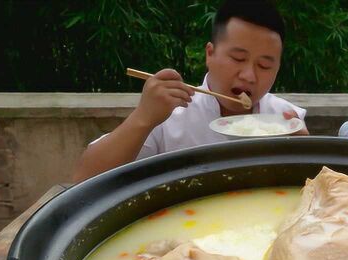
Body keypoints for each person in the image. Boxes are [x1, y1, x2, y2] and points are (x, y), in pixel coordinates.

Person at [73, 0, 307, 182]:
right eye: (238, 58)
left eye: (264, 65)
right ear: (210, 54)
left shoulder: (285, 119)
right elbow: (84, 179)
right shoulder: (168, 114)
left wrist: (306, 152)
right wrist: (143, 117)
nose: (249, 75)